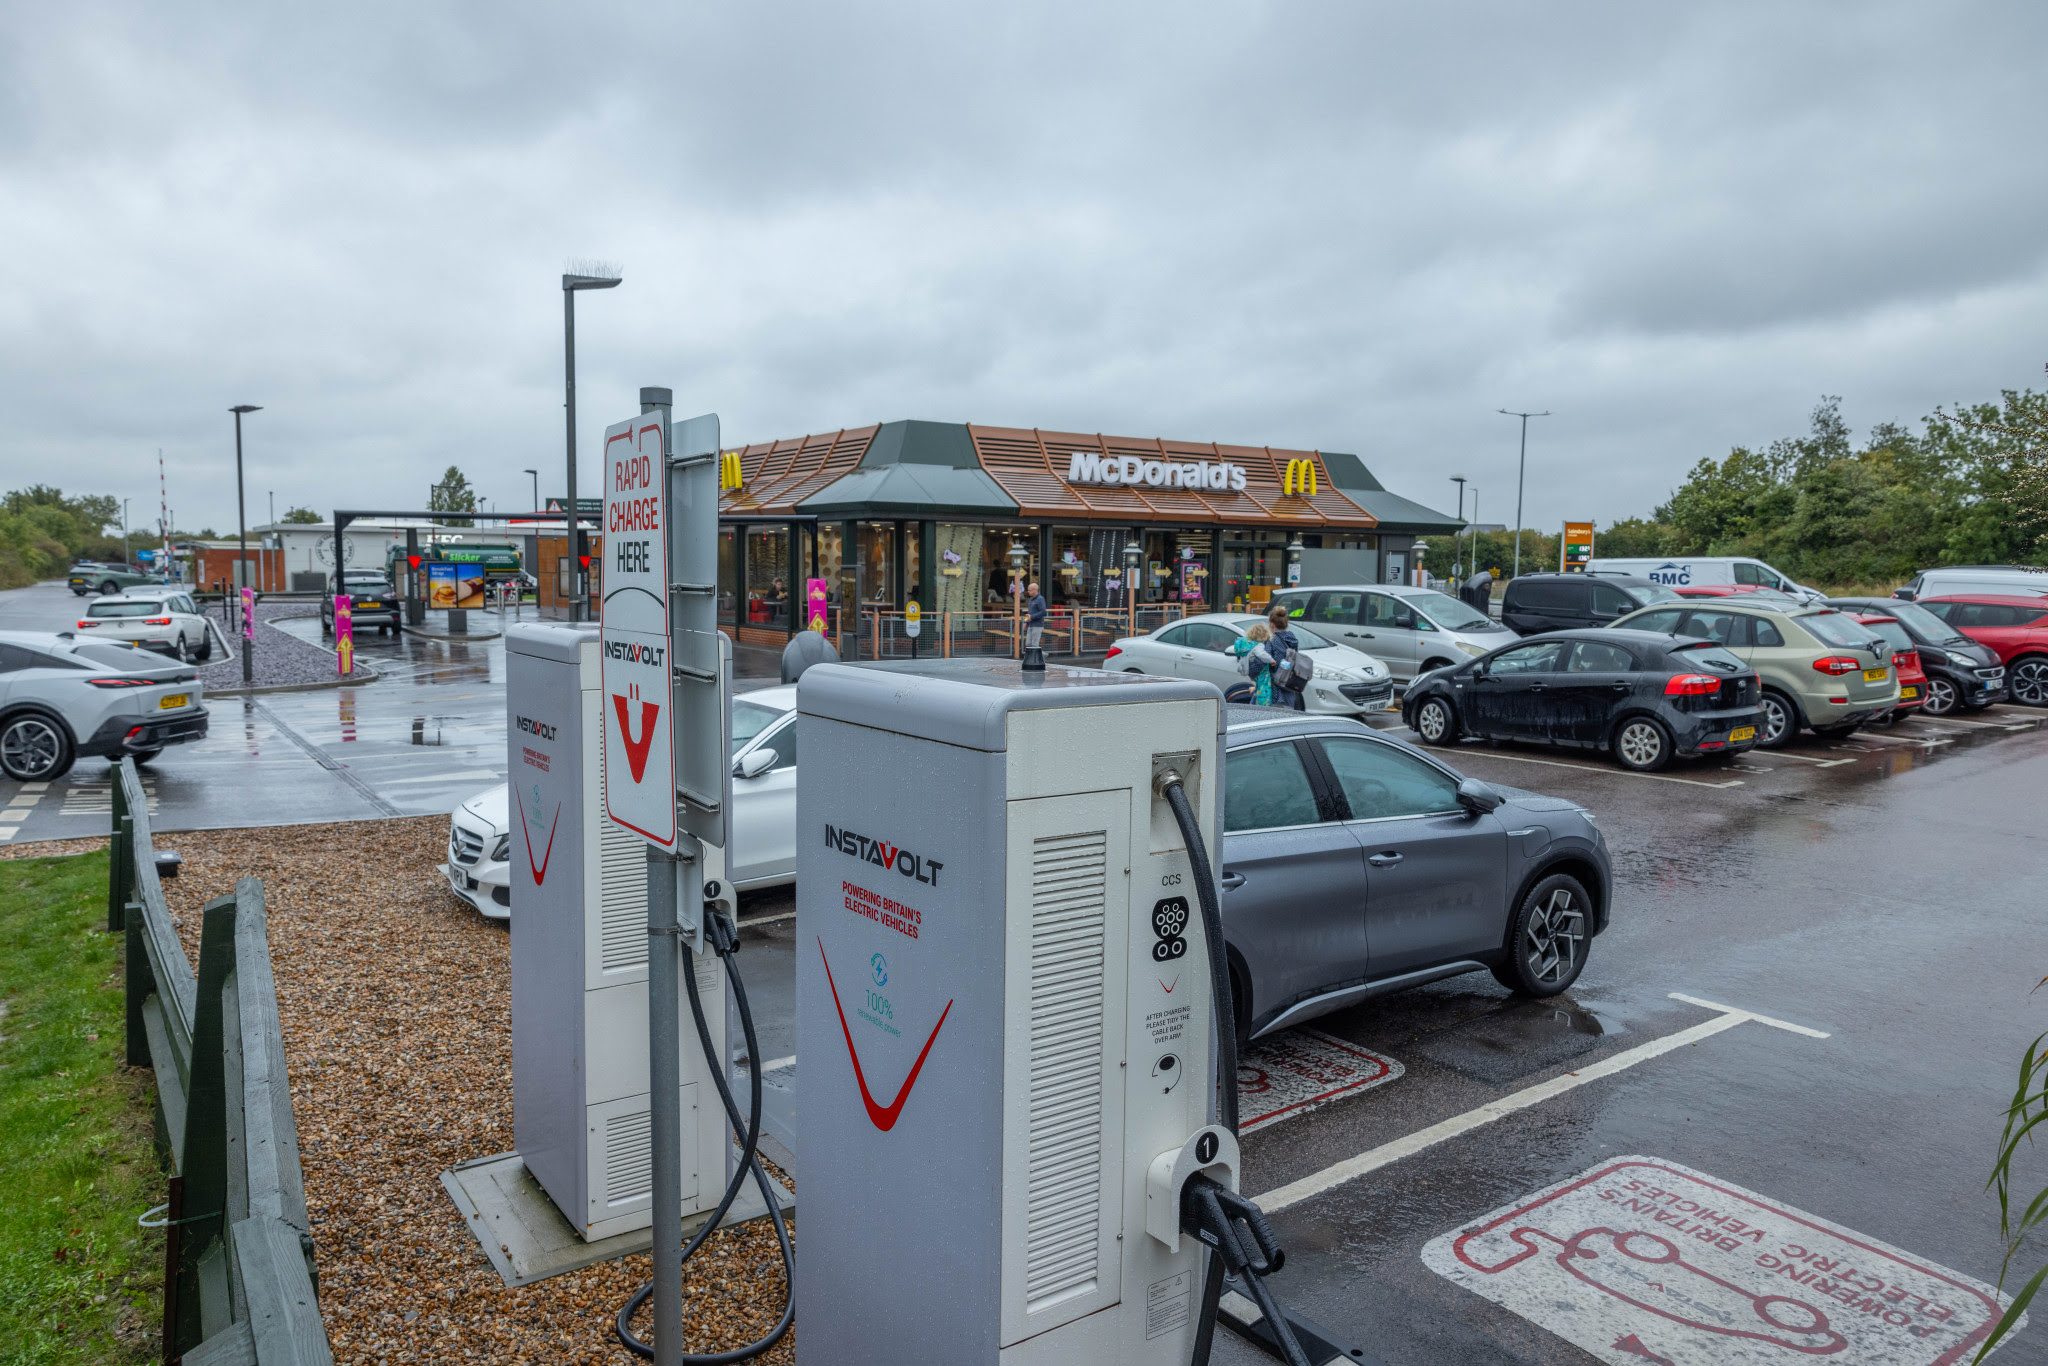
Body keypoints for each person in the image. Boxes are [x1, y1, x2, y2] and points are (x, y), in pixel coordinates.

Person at [1267, 603, 1306, 710]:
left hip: (1275, 685)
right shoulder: (1292, 638)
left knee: (1275, 713)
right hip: (1290, 683)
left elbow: (1267, 661)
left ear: (1272, 624)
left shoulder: (1272, 640)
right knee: (1288, 711)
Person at [1232, 620, 1278, 705]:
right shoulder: (1258, 645)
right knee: (1264, 687)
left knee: (1258, 687)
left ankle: (1253, 703)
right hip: (1262, 672)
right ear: (1264, 635)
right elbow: (1262, 655)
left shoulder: (1247, 645)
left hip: (1252, 672)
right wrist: (1272, 660)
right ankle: (1263, 705)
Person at [1024, 581, 1048, 654]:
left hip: (1037, 625)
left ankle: (1038, 658)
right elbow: (1030, 613)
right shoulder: (1031, 599)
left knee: (1034, 644)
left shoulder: (1040, 599)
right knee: (1028, 644)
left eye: (1029, 590)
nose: (1028, 592)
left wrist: (1032, 617)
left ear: (1035, 590)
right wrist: (1026, 622)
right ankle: (1042, 655)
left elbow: (1043, 612)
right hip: (1031, 624)